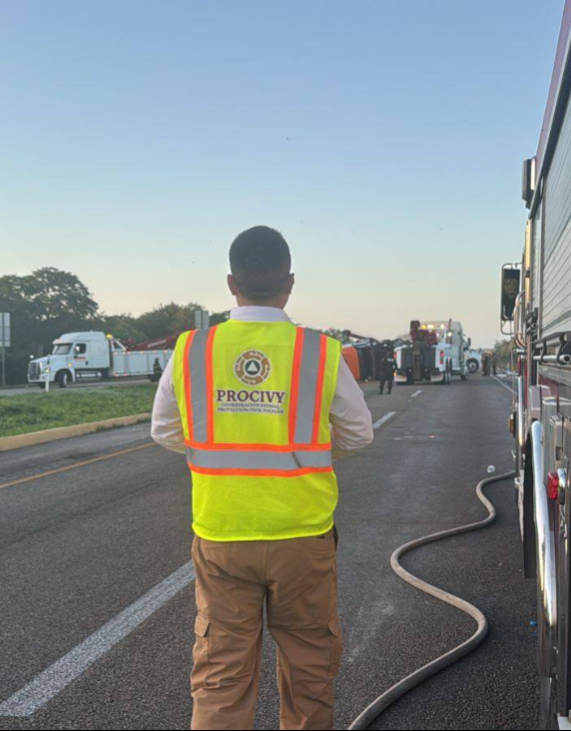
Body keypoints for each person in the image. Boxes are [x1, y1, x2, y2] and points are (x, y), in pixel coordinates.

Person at [151, 225, 374, 730]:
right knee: (309, 673)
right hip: (302, 536)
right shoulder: (319, 352)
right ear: (289, 283)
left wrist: (215, 448)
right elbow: (359, 435)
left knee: (221, 679)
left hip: (222, 534)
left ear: (232, 283)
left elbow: (164, 430)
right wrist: (304, 450)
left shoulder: (192, 350)